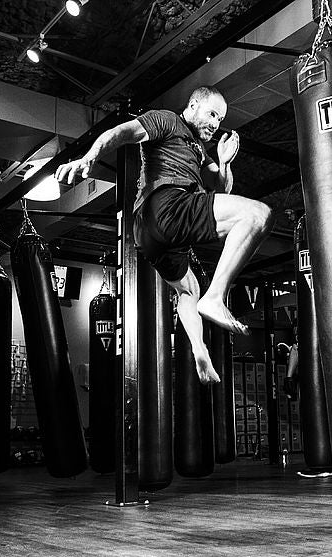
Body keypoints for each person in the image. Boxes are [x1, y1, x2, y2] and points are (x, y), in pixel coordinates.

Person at [56, 86, 274, 385]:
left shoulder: (199, 149)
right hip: (166, 206)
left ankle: (199, 349)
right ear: (193, 104)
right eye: (211, 113)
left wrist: (224, 163)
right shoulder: (167, 120)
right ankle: (216, 297)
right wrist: (88, 158)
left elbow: (220, 190)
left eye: (220, 119)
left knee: (188, 290)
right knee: (258, 214)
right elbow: (122, 132)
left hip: (154, 236)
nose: (215, 123)